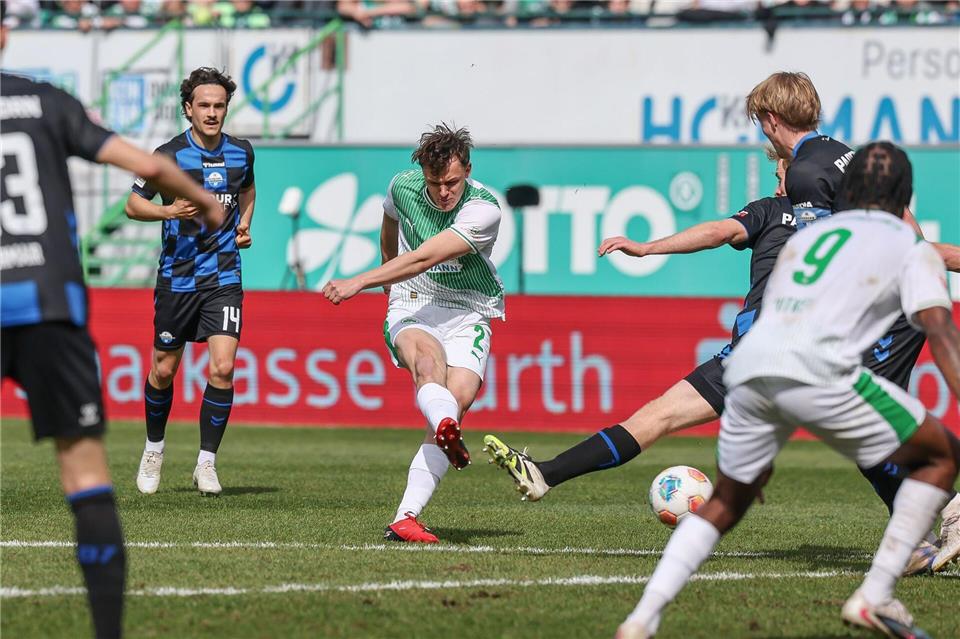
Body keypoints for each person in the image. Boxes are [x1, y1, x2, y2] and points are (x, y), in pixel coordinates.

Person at [485, 72, 960, 574]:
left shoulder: (800, 188)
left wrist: (648, 247)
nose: (772, 162)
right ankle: (545, 474)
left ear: (772, 123)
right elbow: (905, 236)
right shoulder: (813, 183)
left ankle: (942, 511)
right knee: (662, 415)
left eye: (764, 135)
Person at [615, 142, 960, 639]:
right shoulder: (910, 247)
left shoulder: (808, 237)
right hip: (824, 371)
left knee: (726, 502)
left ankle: (641, 620)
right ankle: (874, 596)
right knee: (942, 455)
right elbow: (941, 330)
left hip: (752, 366)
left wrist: (764, 422)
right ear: (904, 196)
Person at [0, 16, 223, 638]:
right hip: (50, 306)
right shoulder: (45, 101)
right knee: (85, 473)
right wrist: (203, 200)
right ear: (3, 35)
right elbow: (138, 162)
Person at [322, 124, 504, 543]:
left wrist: (360, 281)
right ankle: (446, 428)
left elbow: (423, 256)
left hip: (468, 308)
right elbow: (390, 218)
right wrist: (388, 270)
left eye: (452, 183)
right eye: (435, 183)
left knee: (457, 397)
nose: (444, 193)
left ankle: (406, 516)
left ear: (468, 171)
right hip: (413, 300)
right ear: (423, 174)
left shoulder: (484, 209)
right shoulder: (403, 186)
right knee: (427, 366)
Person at [126, 67, 256, 497]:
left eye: (219, 105)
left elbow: (247, 191)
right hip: (177, 278)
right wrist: (168, 212)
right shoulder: (167, 156)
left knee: (223, 366)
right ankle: (154, 450)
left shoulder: (241, 153)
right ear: (188, 109)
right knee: (163, 371)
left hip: (224, 277)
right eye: (204, 105)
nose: (212, 112)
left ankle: (206, 464)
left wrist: (245, 223)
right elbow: (132, 205)